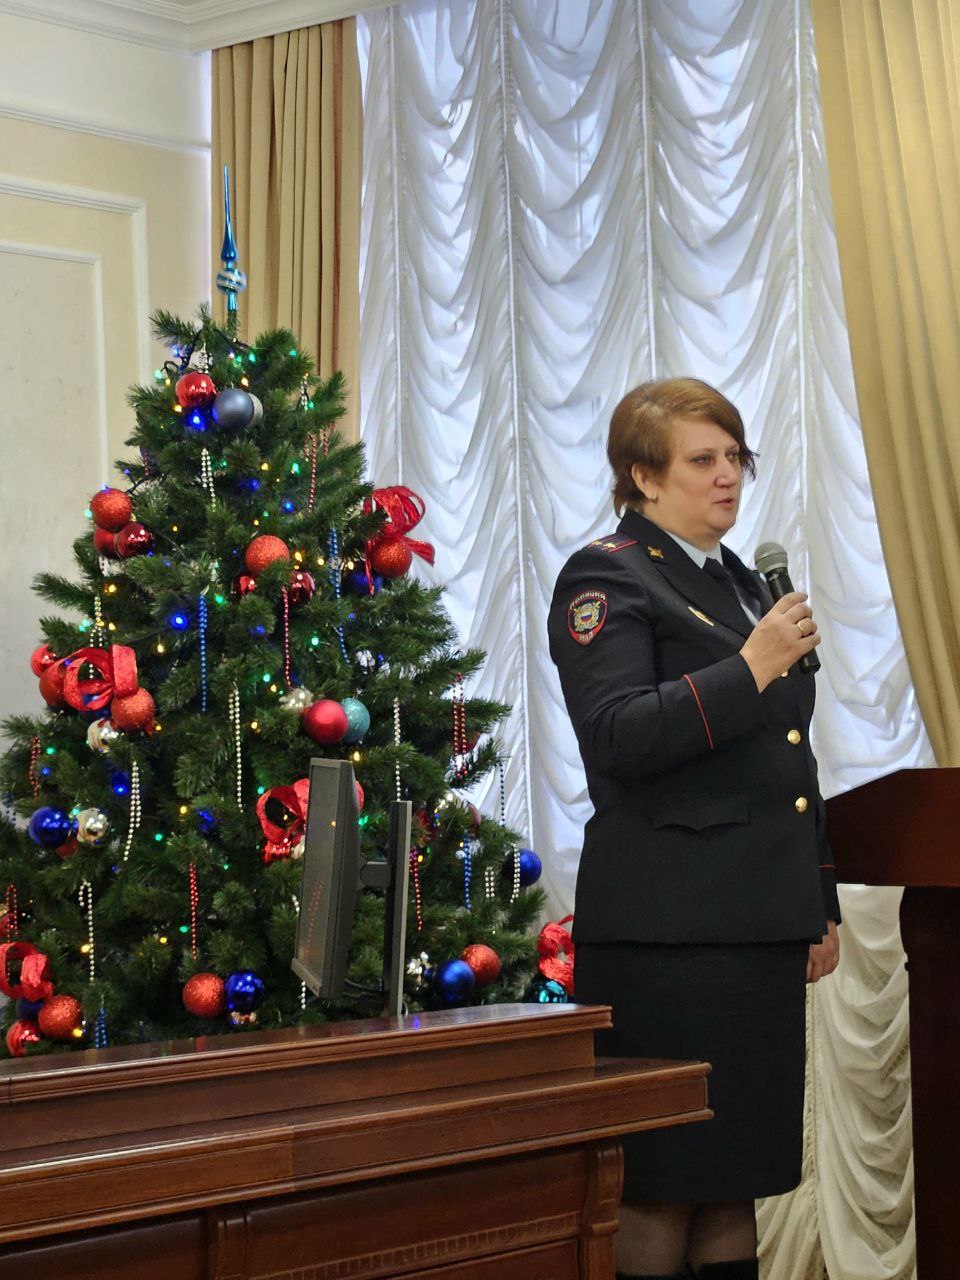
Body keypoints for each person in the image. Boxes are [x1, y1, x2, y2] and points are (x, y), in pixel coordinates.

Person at [548, 378, 841, 1280]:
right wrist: (750, 667)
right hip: (667, 938)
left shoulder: (740, 582)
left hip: (753, 929)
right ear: (643, 475)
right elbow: (618, 735)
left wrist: (817, 900)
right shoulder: (606, 575)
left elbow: (788, 760)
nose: (728, 477)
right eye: (703, 460)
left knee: (732, 1182)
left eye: (736, 458)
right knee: (663, 1183)